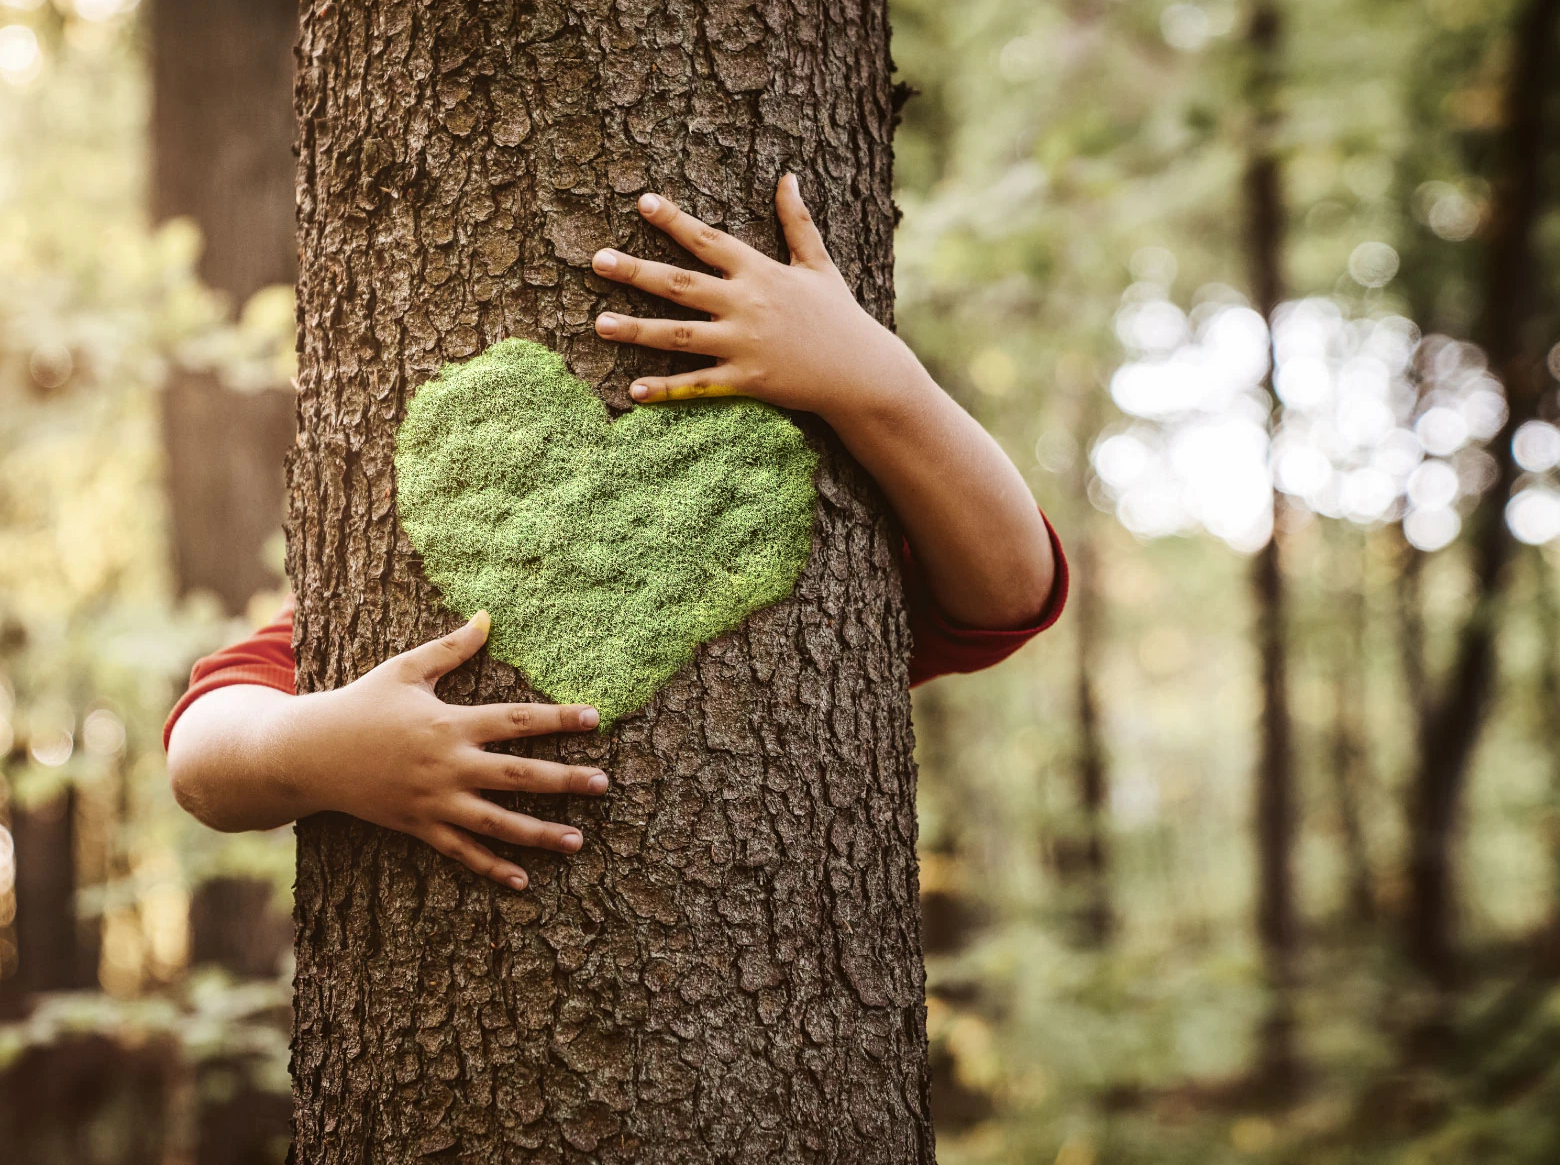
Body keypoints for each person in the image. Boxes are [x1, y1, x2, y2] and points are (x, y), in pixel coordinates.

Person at [164, 175, 1067, 892]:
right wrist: (319, 751)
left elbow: (1011, 590)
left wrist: (876, 380)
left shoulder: (839, 544)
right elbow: (204, 754)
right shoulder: (398, 587)